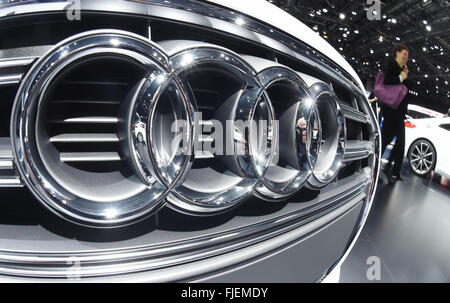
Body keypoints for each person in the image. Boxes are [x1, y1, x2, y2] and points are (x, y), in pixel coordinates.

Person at [380, 43, 410, 184]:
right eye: (404, 54)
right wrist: (401, 78)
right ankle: (371, 163)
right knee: (385, 140)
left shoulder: (403, 69)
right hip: (391, 112)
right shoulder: (392, 65)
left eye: (407, 55)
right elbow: (387, 82)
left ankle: (395, 170)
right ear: (397, 53)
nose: (406, 57)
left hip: (399, 113)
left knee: (401, 143)